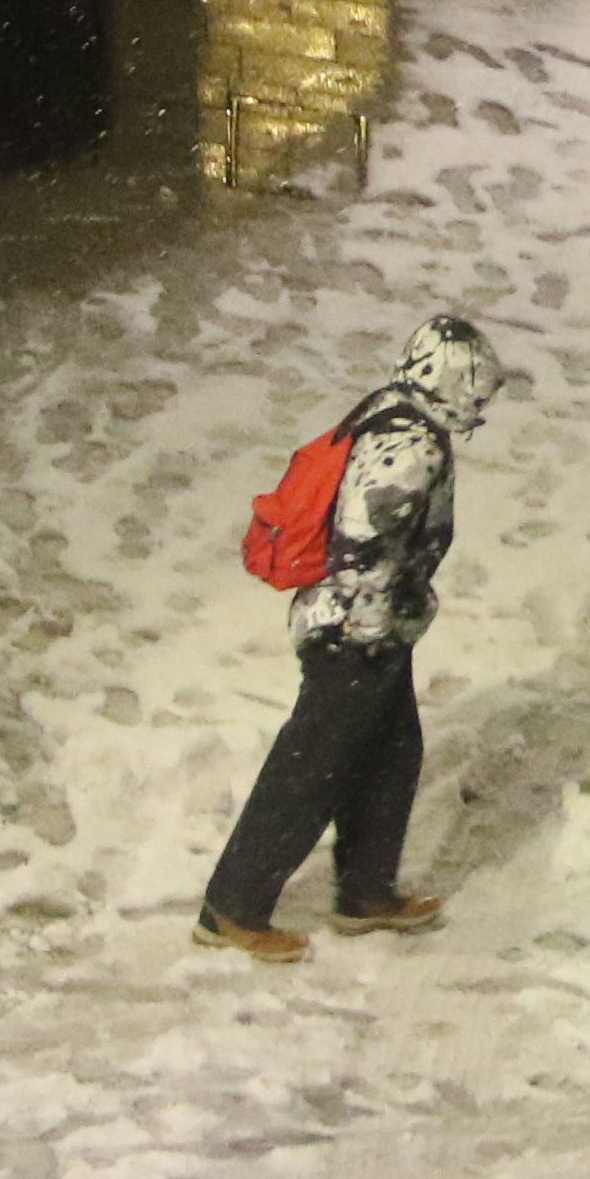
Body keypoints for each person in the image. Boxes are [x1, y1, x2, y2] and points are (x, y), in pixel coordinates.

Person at [198, 313, 511, 961]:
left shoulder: (393, 411)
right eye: (478, 389)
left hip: (376, 625)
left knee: (391, 753)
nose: (482, 405)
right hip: (353, 630)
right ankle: (232, 907)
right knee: (310, 769)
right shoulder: (411, 444)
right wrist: (370, 632)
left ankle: (366, 891)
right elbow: (363, 541)